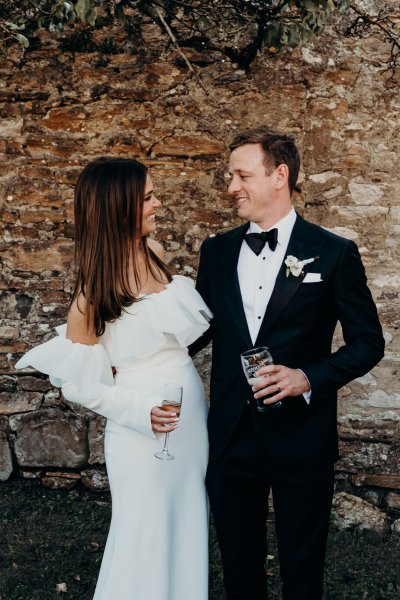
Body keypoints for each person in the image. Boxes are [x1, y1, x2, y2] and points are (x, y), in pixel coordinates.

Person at [190, 126, 385, 600]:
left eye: (241, 175)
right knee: (238, 563)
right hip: (232, 434)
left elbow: (368, 343)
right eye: (229, 175)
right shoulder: (216, 252)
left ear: (280, 175)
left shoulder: (335, 253)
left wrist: (308, 377)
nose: (231, 186)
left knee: (302, 565)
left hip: (303, 433)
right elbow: (194, 332)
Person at [16, 157, 212, 600]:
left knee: (187, 520)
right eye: (147, 198)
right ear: (117, 206)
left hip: (189, 419)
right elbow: (80, 385)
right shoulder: (92, 293)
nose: (157, 204)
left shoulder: (155, 255)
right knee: (141, 531)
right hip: (142, 427)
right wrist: (140, 410)